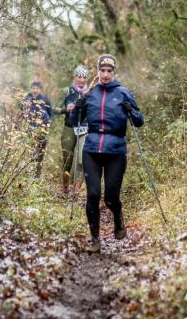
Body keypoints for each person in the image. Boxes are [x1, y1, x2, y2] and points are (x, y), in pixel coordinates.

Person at [70, 54, 144, 253]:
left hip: (115, 151)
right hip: (92, 149)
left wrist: (131, 111)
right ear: (98, 71)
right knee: (93, 195)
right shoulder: (90, 94)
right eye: (102, 71)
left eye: (109, 71)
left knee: (111, 197)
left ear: (114, 72)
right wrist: (76, 110)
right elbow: (73, 121)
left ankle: (118, 217)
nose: (105, 74)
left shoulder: (123, 93)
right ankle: (95, 239)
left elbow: (139, 121)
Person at [57, 65, 90, 196]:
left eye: (84, 77)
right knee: (67, 159)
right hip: (69, 127)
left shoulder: (90, 92)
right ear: (75, 77)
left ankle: (76, 189)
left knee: (82, 160)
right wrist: (65, 109)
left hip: (84, 127)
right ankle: (65, 185)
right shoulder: (67, 91)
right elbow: (53, 108)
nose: (82, 80)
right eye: (79, 76)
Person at [20, 81, 54, 177]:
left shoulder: (45, 99)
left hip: (42, 130)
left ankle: (37, 174)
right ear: (30, 89)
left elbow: (51, 113)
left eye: (37, 88)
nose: (35, 90)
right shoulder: (26, 99)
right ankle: (29, 173)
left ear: (40, 90)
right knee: (31, 151)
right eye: (33, 88)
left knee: (40, 152)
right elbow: (21, 112)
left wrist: (48, 123)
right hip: (30, 129)